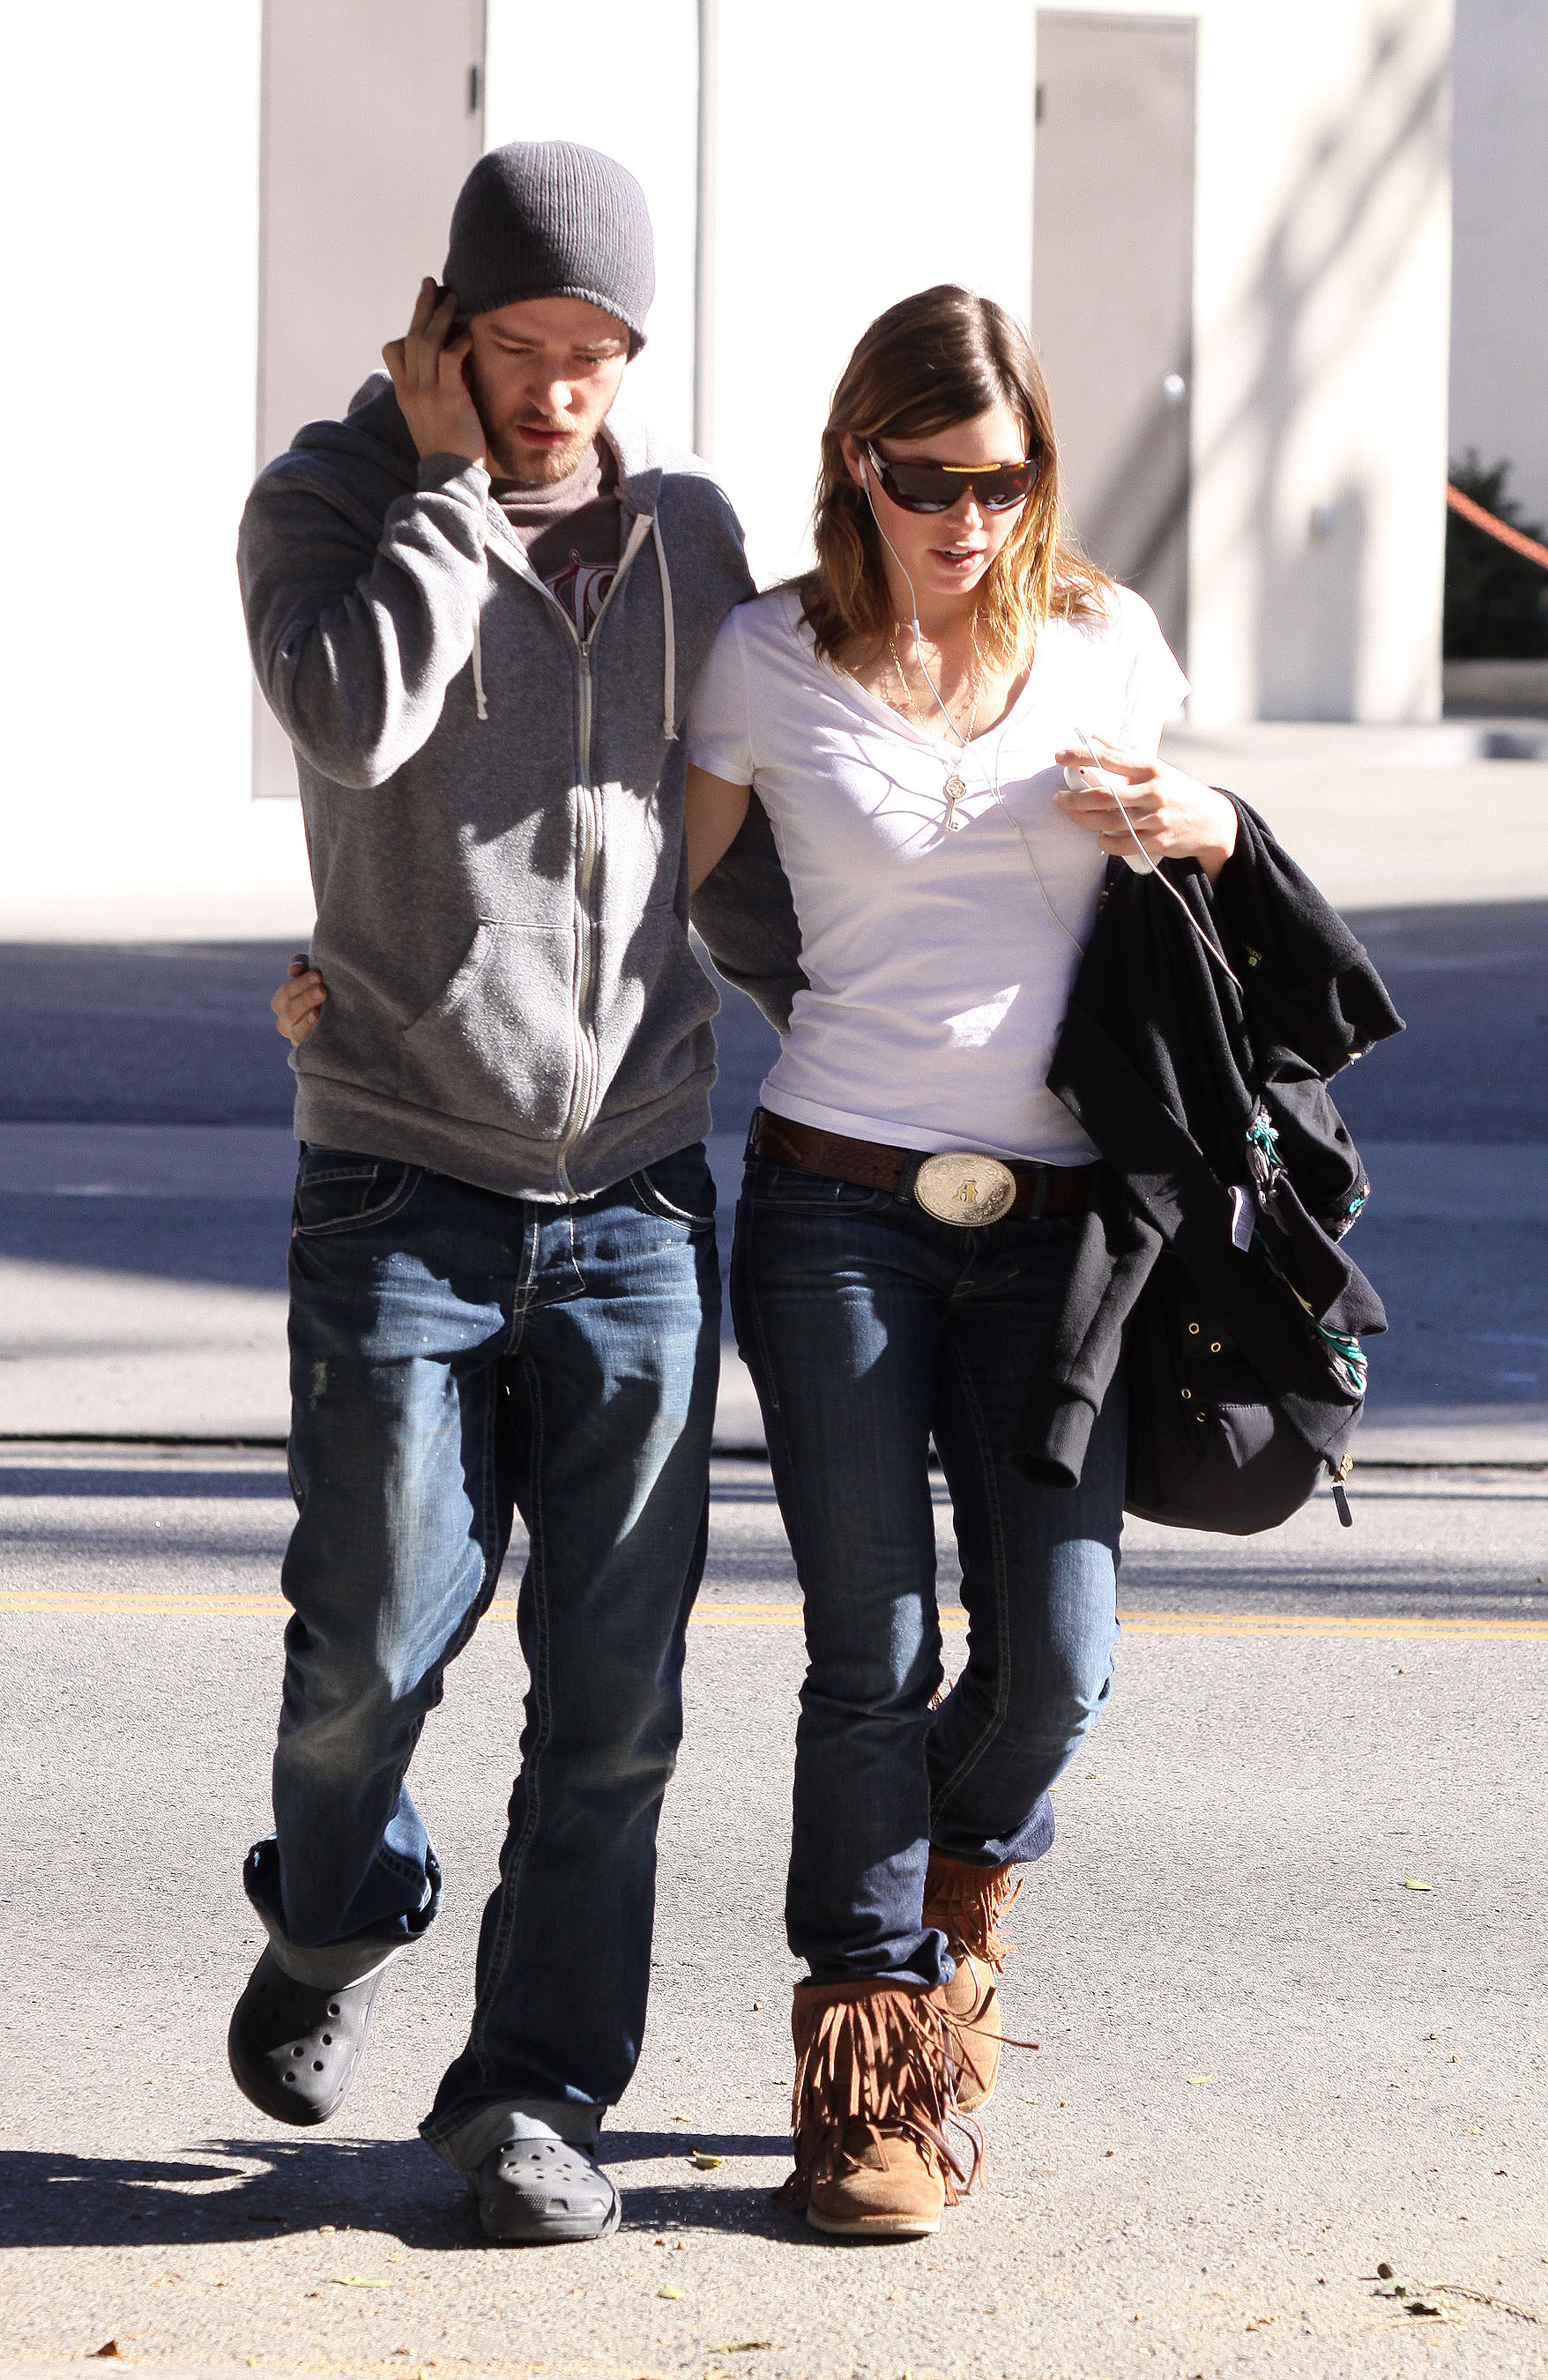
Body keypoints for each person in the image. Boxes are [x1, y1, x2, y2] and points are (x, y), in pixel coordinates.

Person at [232, 138, 779, 2248]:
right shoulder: (324, 502)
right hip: (400, 1174)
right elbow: (352, 722)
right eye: (521, 346)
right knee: (366, 1645)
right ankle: (333, 1911)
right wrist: (446, 488)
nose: (560, 391)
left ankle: (533, 2091)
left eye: (596, 353)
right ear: (442, 329)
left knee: (616, 1699)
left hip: (635, 1192)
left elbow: (783, 798)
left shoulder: (688, 534)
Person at [678, 285, 1241, 2240]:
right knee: (869, 1651)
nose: (966, 518)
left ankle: (946, 1900)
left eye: (1001, 481)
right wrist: (381, 978)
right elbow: (633, 902)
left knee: (1056, 1662)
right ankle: (867, 2078)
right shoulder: (765, 660)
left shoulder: (1105, 643)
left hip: (1063, 1228)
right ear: (860, 464)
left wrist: (1202, 817)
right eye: (926, 480)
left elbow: (1195, 903)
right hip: (833, 1205)